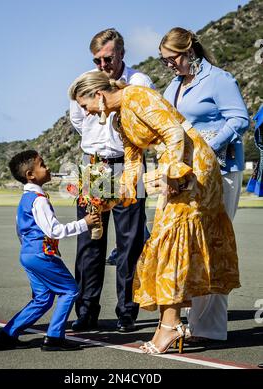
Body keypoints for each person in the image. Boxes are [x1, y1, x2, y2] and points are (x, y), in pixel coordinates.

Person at [69, 70, 240, 354]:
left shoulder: (138, 96)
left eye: (84, 106)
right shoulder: (120, 117)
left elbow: (174, 132)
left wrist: (173, 174)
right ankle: (170, 324)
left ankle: (170, 326)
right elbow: (133, 160)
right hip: (173, 170)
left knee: (172, 242)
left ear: (98, 96)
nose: (84, 114)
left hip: (192, 165)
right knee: (166, 243)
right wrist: (116, 196)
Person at [159, 27, 249, 342]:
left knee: (212, 246)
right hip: (186, 174)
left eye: (172, 59)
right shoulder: (173, 86)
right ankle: (189, 323)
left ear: (189, 51)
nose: (169, 66)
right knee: (191, 247)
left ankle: (208, 329)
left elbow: (239, 120)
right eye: (164, 61)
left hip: (220, 171)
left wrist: (206, 148)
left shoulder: (219, 80)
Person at [69, 28, 154, 332]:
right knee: (89, 243)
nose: (102, 65)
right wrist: (101, 146)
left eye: (108, 58)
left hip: (129, 166)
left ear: (121, 53)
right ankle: (86, 312)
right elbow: (78, 120)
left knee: (129, 243)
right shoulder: (86, 81)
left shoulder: (140, 81)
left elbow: (148, 115)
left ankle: (127, 312)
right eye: (97, 59)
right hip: (93, 166)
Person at [0, 150, 100, 352]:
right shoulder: (39, 200)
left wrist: (31, 250)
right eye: (42, 164)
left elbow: (20, 229)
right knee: (69, 290)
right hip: (41, 254)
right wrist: (83, 223)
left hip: (28, 253)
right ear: (30, 175)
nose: (48, 167)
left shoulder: (26, 199)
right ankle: (54, 337)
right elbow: (54, 230)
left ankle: (7, 335)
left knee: (42, 299)